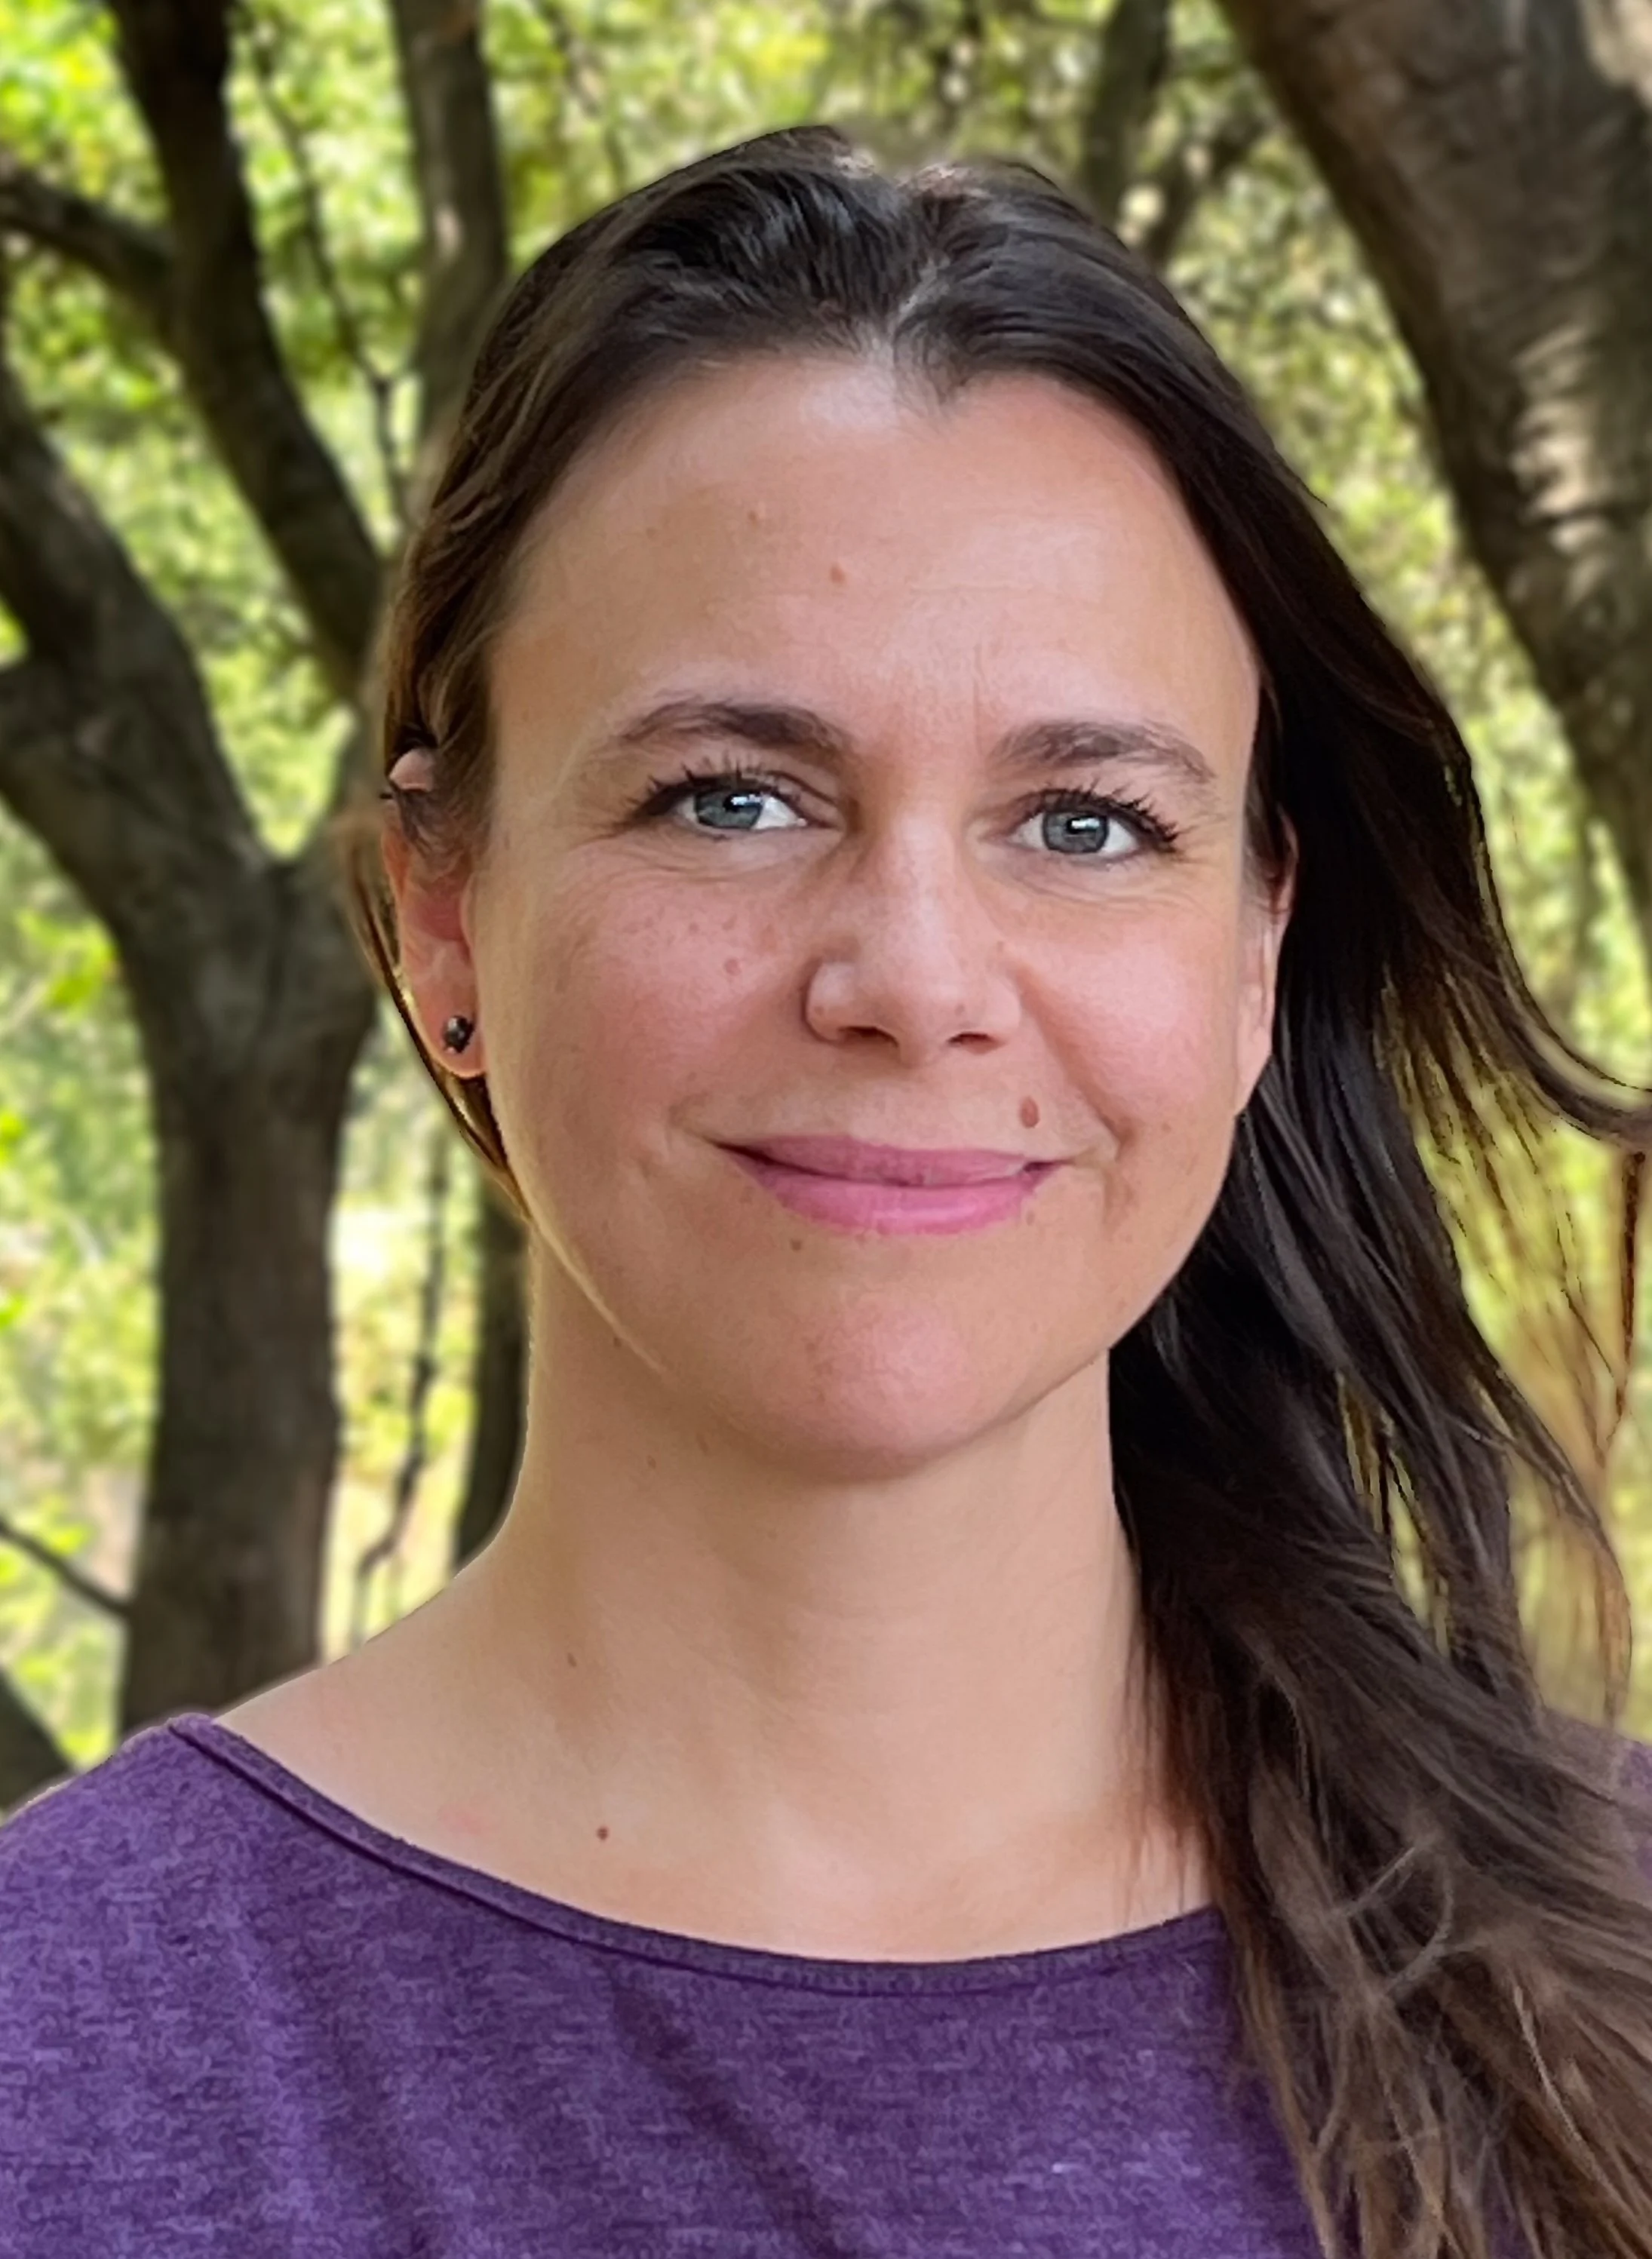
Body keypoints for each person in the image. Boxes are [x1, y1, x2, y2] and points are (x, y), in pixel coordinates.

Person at [2, 123, 1650, 2259]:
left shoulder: (1609, 1975)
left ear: (1255, 948)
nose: (916, 981)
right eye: (734, 798)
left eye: (1084, 823)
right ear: (442, 909)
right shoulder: (64, 2059)